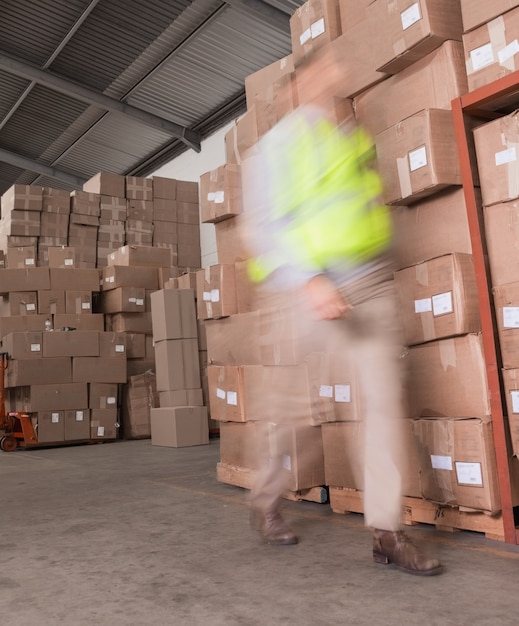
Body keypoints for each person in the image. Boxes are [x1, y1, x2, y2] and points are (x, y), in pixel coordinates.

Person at [240, 44, 442, 577]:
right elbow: (261, 225)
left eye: (338, 65)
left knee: (381, 402)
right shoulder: (276, 147)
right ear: (296, 86)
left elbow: (364, 210)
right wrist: (309, 278)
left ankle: (386, 532)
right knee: (294, 412)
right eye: (324, 68)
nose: (337, 74)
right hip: (304, 286)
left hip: (368, 282)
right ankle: (267, 497)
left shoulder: (351, 140)